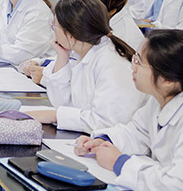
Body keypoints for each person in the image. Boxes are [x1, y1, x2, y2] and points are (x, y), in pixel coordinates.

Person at [74, 29, 183, 190]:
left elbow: (175, 184)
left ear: (167, 80)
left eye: (139, 62)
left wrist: (119, 163)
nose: (133, 68)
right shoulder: (159, 99)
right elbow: (137, 132)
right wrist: (101, 142)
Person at [25, 0, 144, 132]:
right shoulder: (81, 53)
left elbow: (106, 122)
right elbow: (62, 103)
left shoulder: (111, 63)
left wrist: (55, 116)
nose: (52, 30)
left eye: (54, 25)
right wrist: (62, 56)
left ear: (71, 34)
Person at [23, 0, 145, 84]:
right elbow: (74, 58)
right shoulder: (95, 20)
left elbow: (87, 82)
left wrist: (45, 77)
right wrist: (41, 63)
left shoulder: (123, 35)